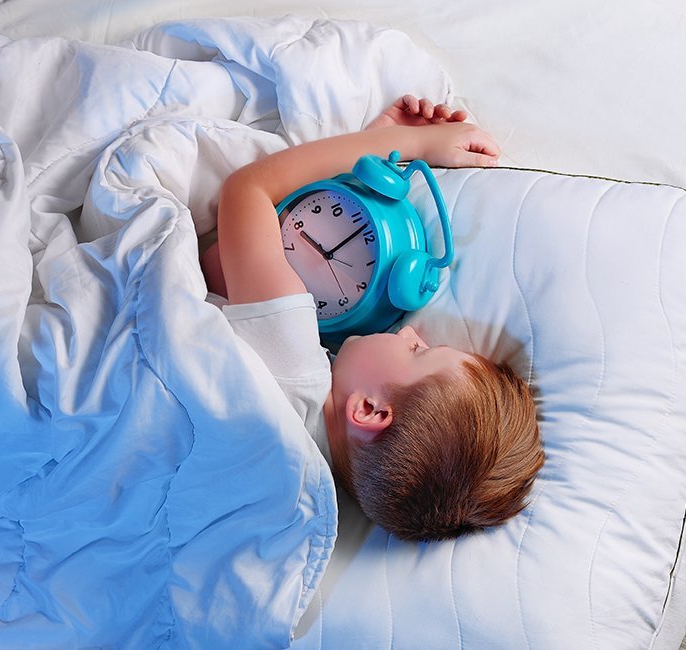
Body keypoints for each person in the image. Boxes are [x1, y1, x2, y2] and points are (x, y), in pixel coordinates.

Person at [201, 95, 545, 542]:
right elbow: (220, 268)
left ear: (368, 409)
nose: (410, 331)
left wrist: (409, 142)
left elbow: (246, 192)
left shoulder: (294, 365)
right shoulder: (301, 462)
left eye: (419, 351)